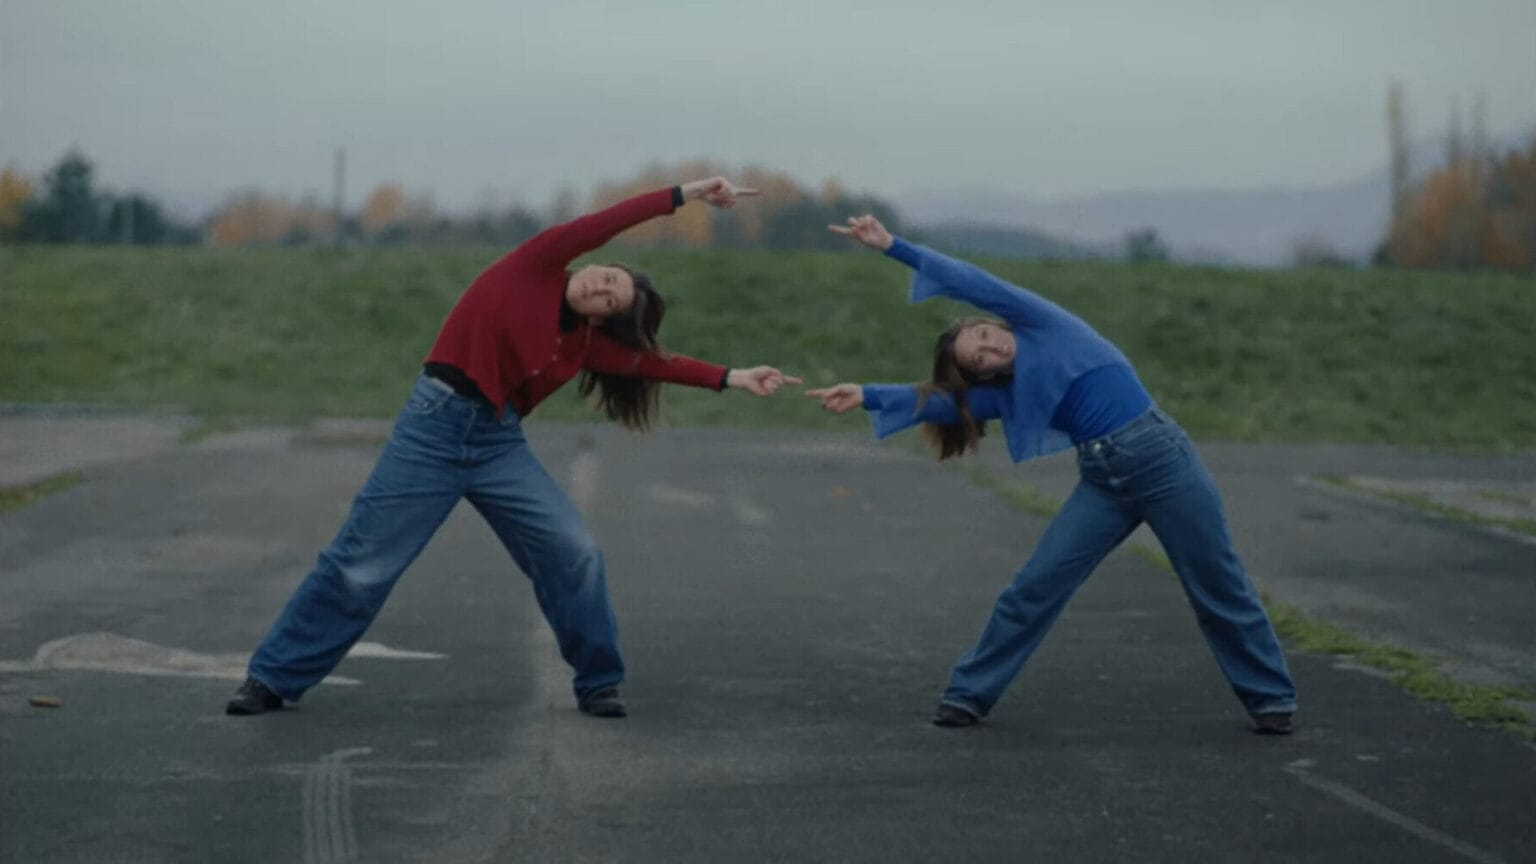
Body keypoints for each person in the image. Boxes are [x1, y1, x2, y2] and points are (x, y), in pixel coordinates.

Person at [227, 177, 801, 719]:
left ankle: (599, 682)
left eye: (609, 301)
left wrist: (732, 377)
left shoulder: (581, 345)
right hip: (431, 431)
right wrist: (685, 194)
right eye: (606, 278)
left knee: (574, 552)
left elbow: (650, 364)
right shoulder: (537, 264)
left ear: (603, 319)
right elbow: (607, 221)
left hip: (495, 444)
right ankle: (271, 678)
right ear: (594, 264)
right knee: (361, 566)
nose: (599, 289)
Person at [807, 215, 1297, 735]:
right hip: (1104, 483)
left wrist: (892, 246)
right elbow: (944, 403)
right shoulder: (1009, 392)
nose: (991, 349)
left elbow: (971, 279)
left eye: (985, 335)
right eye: (979, 358)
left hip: (1163, 463)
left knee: (1217, 585)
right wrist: (867, 394)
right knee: (1032, 589)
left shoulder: (1040, 323)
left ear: (995, 324)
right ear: (984, 374)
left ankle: (1271, 699)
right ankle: (967, 696)